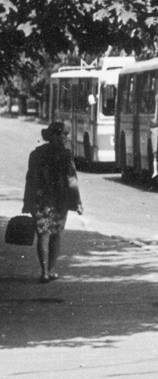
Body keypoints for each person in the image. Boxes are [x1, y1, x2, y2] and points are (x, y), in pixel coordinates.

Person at [22, 121, 84, 283]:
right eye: (65, 134)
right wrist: (77, 201)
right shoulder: (65, 155)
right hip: (59, 200)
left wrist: (26, 202)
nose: (67, 137)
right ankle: (51, 270)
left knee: (43, 234)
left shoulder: (36, 154)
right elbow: (71, 180)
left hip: (40, 199)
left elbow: (30, 179)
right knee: (55, 234)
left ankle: (44, 272)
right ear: (55, 136)